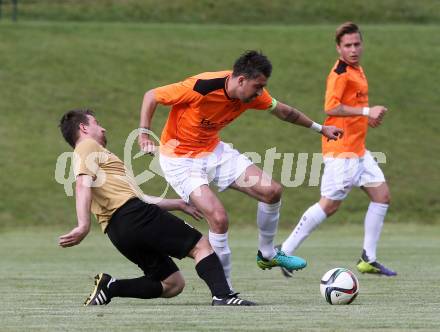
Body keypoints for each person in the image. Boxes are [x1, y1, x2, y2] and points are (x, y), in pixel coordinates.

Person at [137, 50, 343, 288]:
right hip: (179, 160)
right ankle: (225, 292)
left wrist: (321, 129)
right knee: (218, 218)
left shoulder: (254, 95)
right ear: (241, 79)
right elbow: (151, 95)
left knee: (272, 191)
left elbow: (285, 112)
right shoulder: (201, 86)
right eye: (257, 86)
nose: (260, 93)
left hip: (213, 151)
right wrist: (144, 131)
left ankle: (267, 254)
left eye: (262, 87)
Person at [58, 109, 255, 306]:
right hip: (134, 215)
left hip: (118, 232)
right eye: (96, 123)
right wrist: (83, 225)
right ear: (83, 128)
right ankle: (223, 296)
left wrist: (178, 204)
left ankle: (110, 287)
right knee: (201, 246)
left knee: (172, 284)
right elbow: (83, 184)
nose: (103, 128)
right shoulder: (87, 146)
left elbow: (140, 197)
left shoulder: (100, 158)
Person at [279, 22, 397, 277]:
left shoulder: (357, 69)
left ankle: (368, 258)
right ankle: (284, 251)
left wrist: (366, 118)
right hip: (341, 151)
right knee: (329, 206)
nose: (353, 49)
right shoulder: (340, 73)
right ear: (338, 48)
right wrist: (367, 111)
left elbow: (350, 105)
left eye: (356, 44)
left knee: (382, 196)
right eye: (348, 45)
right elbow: (331, 108)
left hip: (359, 150)